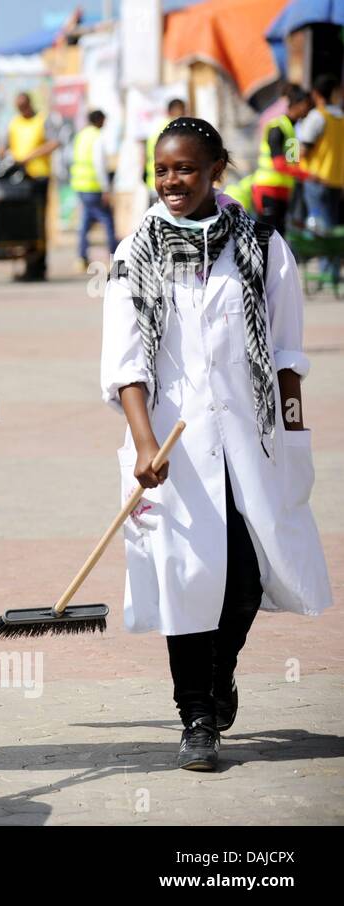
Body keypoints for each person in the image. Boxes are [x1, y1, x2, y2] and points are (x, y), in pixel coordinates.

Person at [100, 118, 331, 772]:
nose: (173, 181)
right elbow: (125, 364)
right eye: (163, 169)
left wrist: (292, 431)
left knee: (249, 574)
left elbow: (287, 351)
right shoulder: (134, 251)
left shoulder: (260, 243)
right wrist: (145, 443)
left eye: (187, 169)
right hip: (171, 443)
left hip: (252, 437)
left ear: (216, 169)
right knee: (184, 576)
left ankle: (220, 666)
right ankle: (197, 715)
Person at [4, 92, 59, 281]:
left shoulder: (42, 120)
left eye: (24, 106)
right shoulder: (14, 123)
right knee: (23, 225)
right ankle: (28, 266)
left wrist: (32, 155)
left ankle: (39, 267)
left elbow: (54, 142)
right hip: (20, 179)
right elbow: (7, 145)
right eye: (19, 107)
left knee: (38, 224)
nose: (22, 110)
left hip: (39, 177)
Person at [296, 74, 344, 285]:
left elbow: (303, 149)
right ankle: (332, 271)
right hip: (336, 180)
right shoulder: (340, 118)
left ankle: (327, 274)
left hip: (316, 180)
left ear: (316, 94)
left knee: (319, 227)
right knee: (332, 227)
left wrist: (293, 159)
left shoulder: (318, 117)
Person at [252, 84, 314, 236]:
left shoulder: (291, 129)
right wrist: (309, 176)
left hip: (283, 192)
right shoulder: (277, 127)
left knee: (279, 236)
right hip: (268, 189)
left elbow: (292, 162)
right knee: (266, 238)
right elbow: (279, 164)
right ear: (298, 104)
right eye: (307, 105)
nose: (309, 109)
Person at [70, 109, 117, 272]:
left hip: (80, 186)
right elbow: (99, 164)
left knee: (85, 222)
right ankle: (115, 258)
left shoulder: (81, 136)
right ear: (99, 120)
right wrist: (106, 189)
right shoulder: (97, 137)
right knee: (108, 221)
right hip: (94, 187)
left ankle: (81, 258)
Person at [144, 97, 186, 200]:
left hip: (156, 182)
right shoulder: (174, 130)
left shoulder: (160, 128)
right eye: (182, 110)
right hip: (167, 184)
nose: (184, 114)